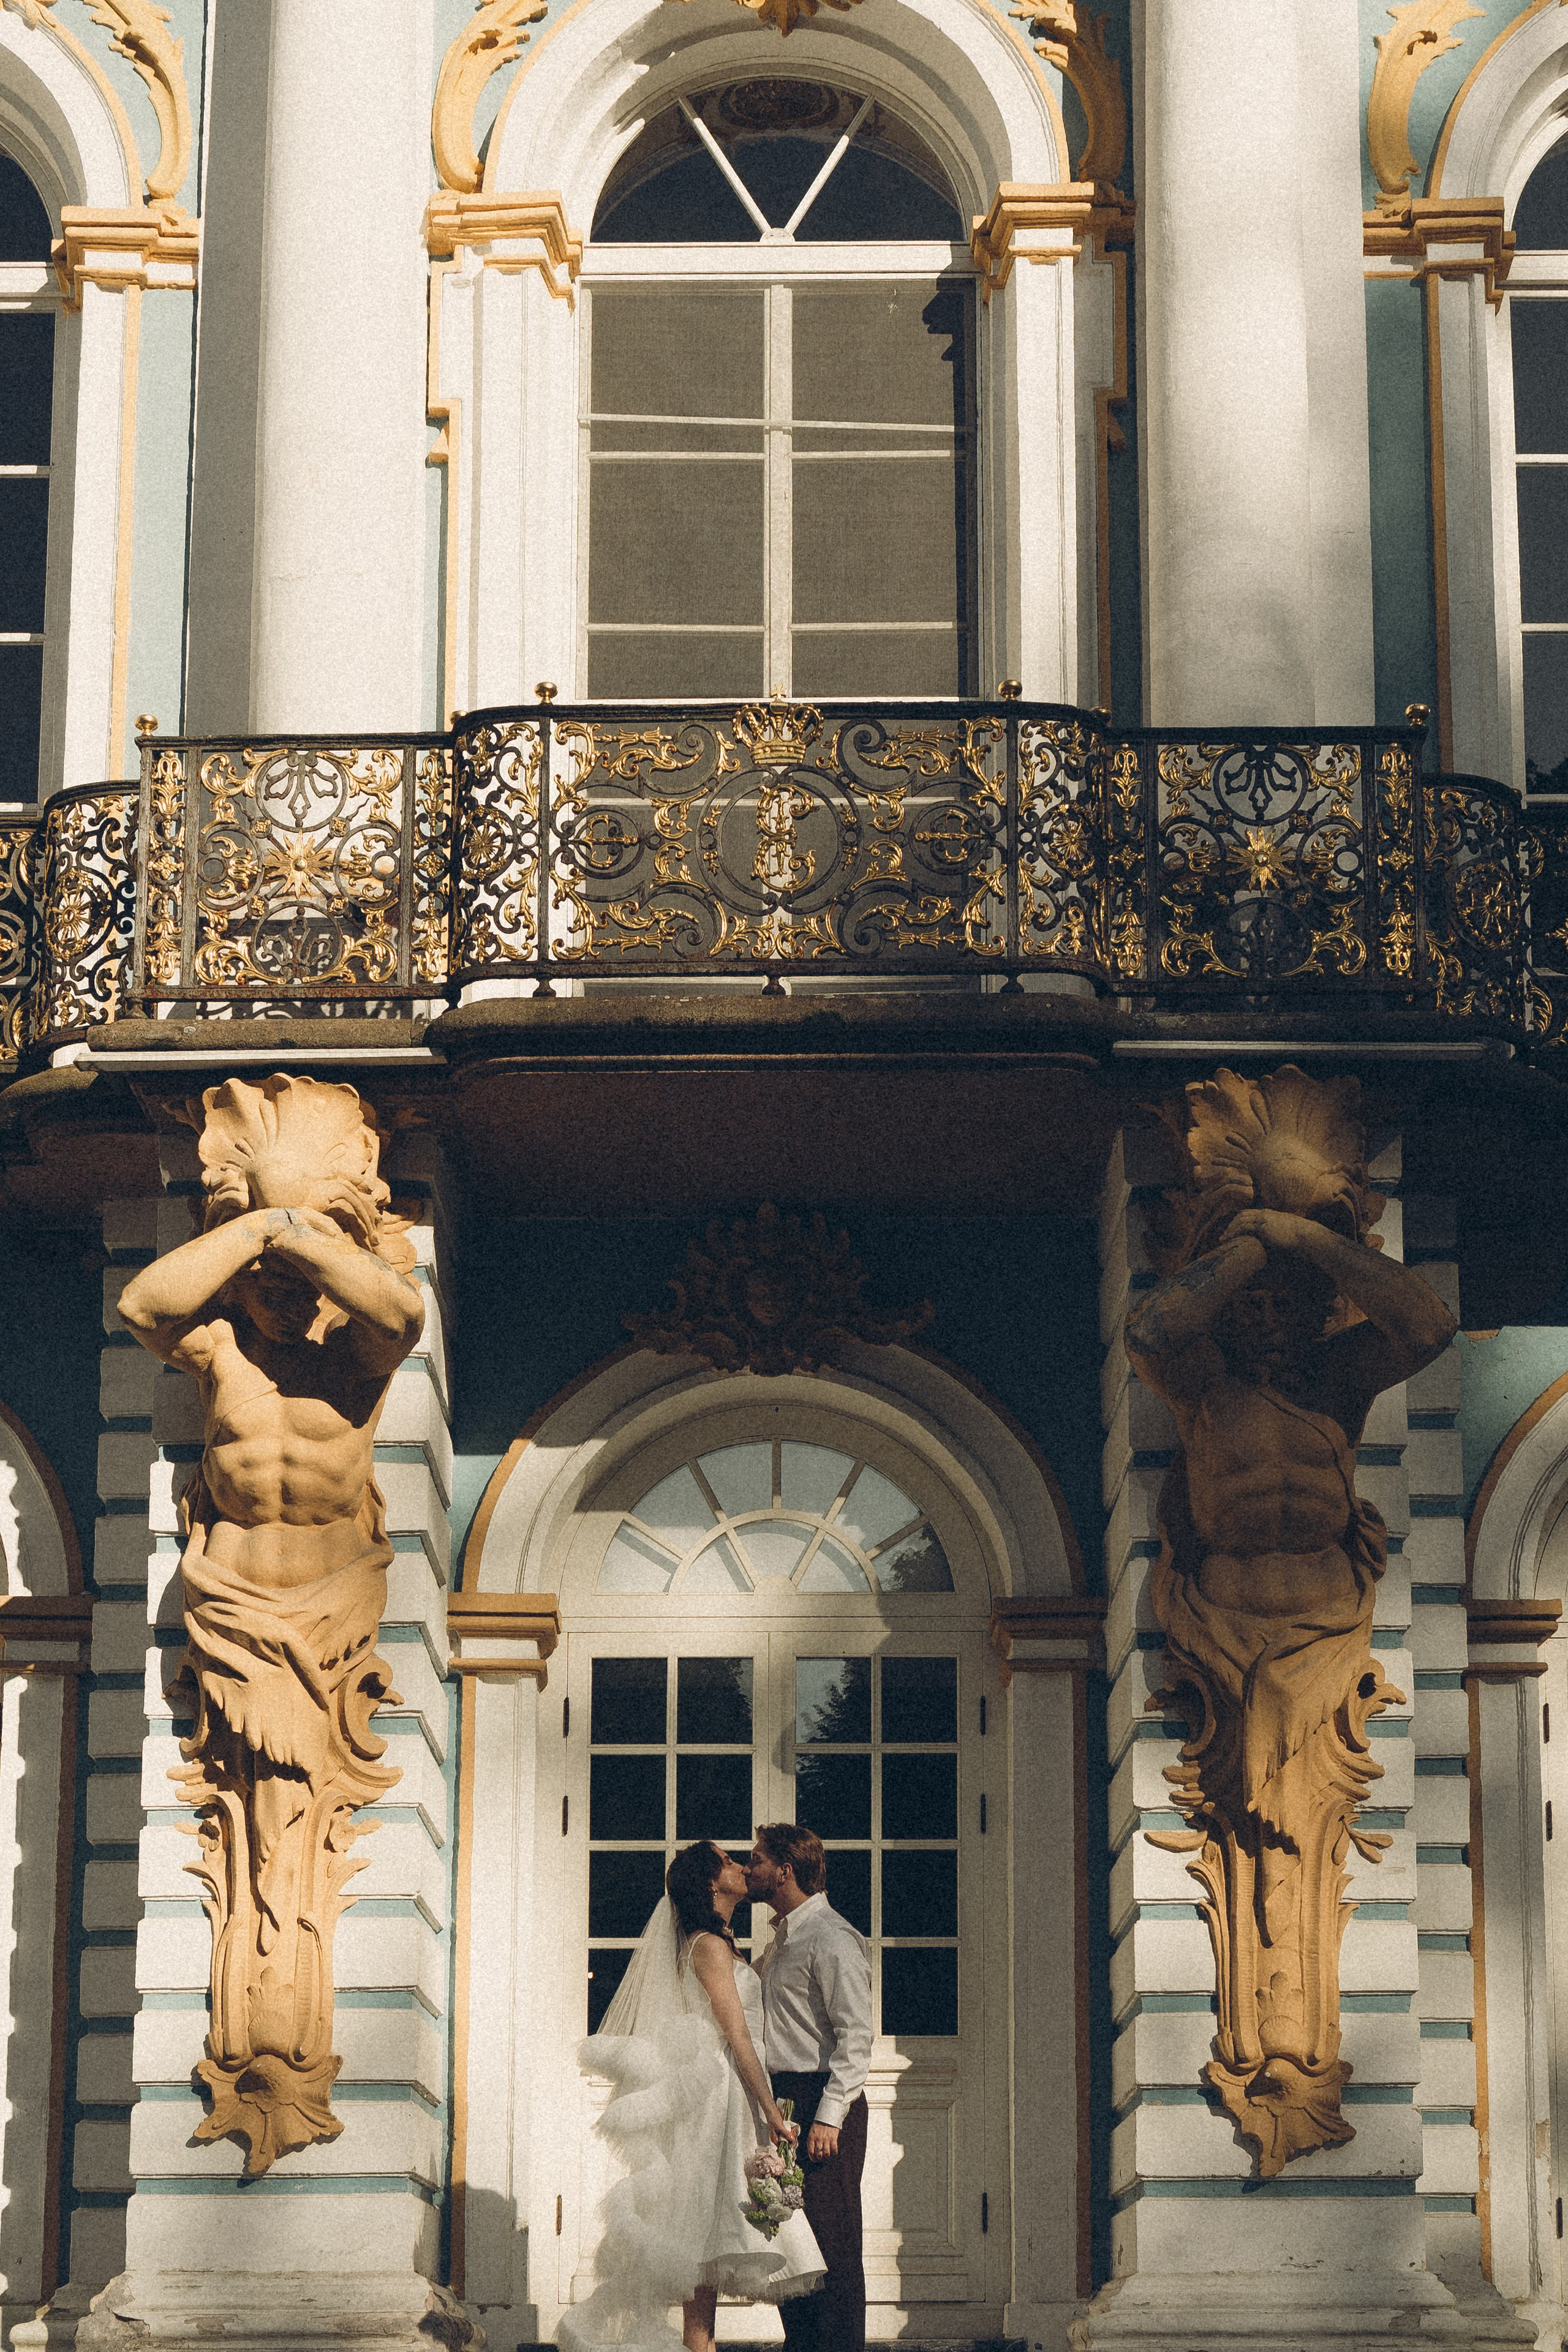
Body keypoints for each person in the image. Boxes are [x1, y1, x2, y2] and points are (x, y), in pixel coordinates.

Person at [564, 1841, 824, 2352]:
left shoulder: (719, 1942)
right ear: (710, 1883)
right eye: (729, 1862)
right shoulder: (706, 1945)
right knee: (702, 2232)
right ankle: (697, 2346)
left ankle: (698, 2346)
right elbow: (737, 2035)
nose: (742, 1866)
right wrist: (771, 2110)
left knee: (708, 2235)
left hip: (734, 2095)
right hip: (719, 2100)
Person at [749, 1824, 873, 2352]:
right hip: (783, 2102)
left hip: (822, 2099)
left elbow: (857, 2033)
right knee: (792, 2250)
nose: (748, 1869)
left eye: (755, 1860)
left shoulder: (830, 1936)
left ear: (785, 1869)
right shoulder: (783, 1940)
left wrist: (830, 2114)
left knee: (834, 2249)